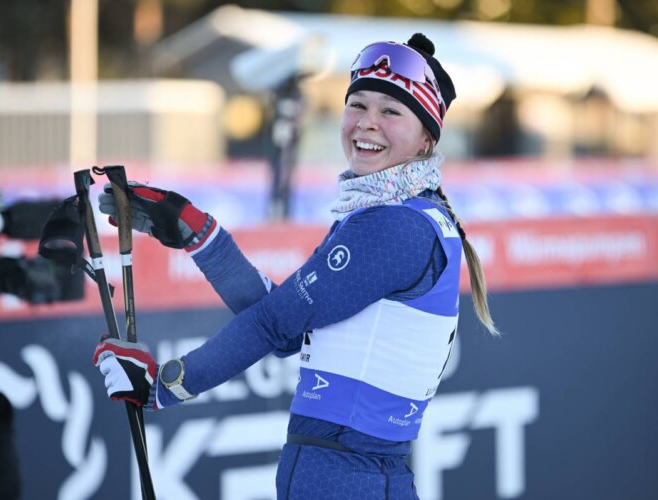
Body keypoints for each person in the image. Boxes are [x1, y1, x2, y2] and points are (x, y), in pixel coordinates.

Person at [94, 32, 499, 499]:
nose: (367, 124)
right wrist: (198, 233)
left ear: (427, 136)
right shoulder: (386, 213)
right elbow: (286, 325)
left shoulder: (396, 226)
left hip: (347, 479)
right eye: (358, 105)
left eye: (391, 112)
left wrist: (162, 386)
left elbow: (274, 323)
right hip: (341, 476)